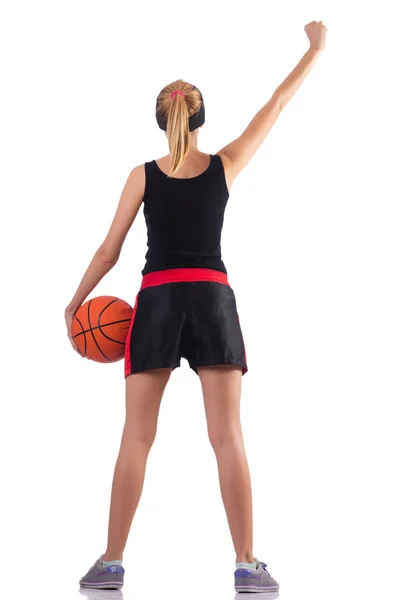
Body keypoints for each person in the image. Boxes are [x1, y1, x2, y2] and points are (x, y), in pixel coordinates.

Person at [65, 20, 328, 593]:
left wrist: (75, 303)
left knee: (136, 437)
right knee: (228, 435)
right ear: (199, 119)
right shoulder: (225, 165)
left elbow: (110, 250)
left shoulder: (142, 175)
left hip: (156, 299)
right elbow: (278, 103)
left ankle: (111, 564)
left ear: (161, 122)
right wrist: (315, 50)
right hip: (211, 297)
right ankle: (246, 564)